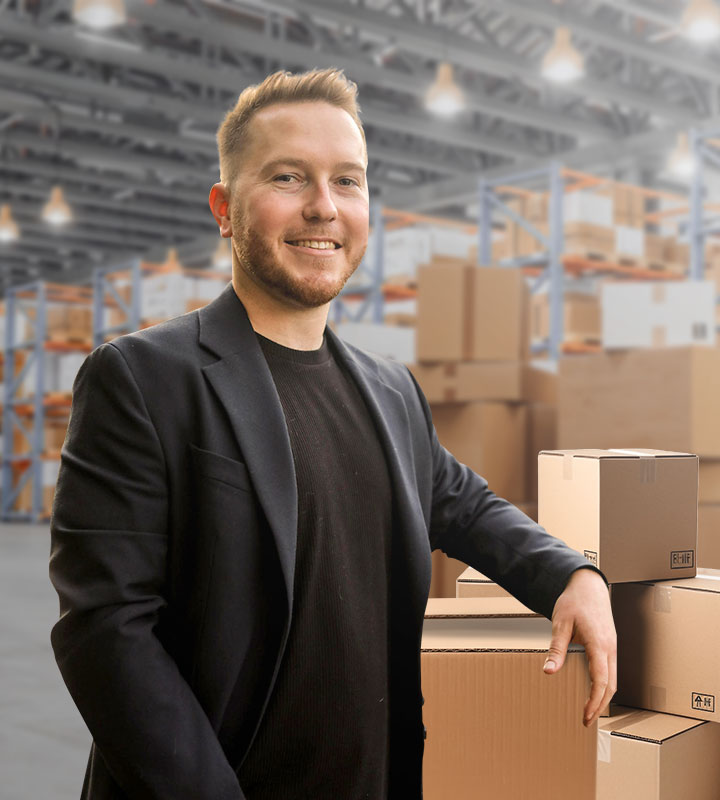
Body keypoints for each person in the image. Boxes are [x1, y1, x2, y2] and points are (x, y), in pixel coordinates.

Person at [48, 68, 616, 799]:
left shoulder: (390, 390)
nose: (324, 207)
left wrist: (573, 576)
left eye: (348, 181)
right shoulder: (142, 377)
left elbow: (465, 505)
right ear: (225, 208)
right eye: (290, 177)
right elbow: (105, 632)